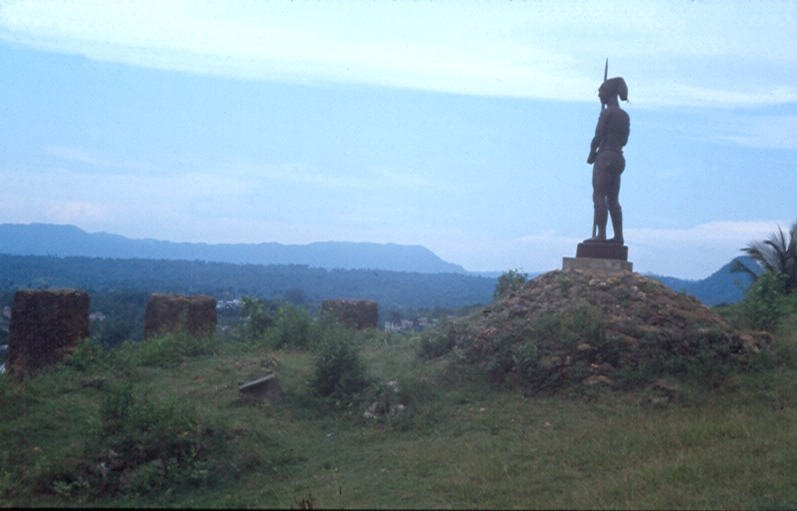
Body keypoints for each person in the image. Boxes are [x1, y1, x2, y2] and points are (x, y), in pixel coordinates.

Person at [585, 76, 630, 244]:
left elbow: (598, 136)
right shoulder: (624, 115)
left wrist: (591, 153)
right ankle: (618, 236)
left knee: (599, 196)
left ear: (608, 94)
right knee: (613, 200)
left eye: (600, 93)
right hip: (618, 157)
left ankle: (601, 235)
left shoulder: (607, 112)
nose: (599, 96)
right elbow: (624, 140)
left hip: (605, 156)